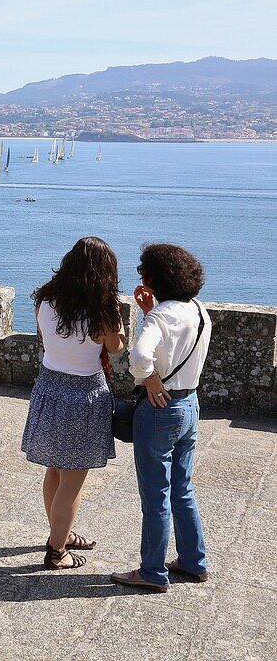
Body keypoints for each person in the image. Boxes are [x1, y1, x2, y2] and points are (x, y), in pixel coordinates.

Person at [22, 237, 126, 570]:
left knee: (55, 469)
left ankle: (60, 533)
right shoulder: (102, 311)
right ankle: (56, 552)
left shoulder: (45, 301)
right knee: (73, 478)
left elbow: (49, 341)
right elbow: (117, 347)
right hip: (84, 396)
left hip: (49, 389)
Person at [112, 244, 211, 592]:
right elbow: (176, 343)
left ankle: (152, 572)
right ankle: (193, 561)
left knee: (156, 494)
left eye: (143, 272)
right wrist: (152, 309)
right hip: (190, 406)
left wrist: (150, 378)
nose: (141, 277)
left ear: (155, 277)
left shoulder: (161, 317)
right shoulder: (198, 309)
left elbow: (140, 355)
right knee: (182, 489)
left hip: (160, 408)